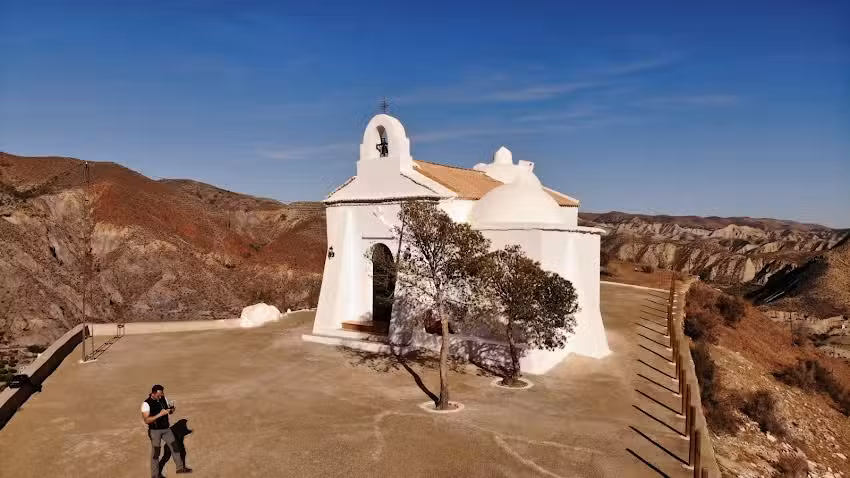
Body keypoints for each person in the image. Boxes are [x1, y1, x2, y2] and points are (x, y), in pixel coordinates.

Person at [142, 384, 193, 477]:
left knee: (175, 446)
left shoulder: (163, 398)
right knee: (156, 453)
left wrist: (171, 410)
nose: (161, 396)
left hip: (166, 429)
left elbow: (167, 410)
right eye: (159, 395)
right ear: (153, 393)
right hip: (154, 431)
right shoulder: (146, 403)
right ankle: (155, 475)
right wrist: (160, 415)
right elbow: (146, 420)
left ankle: (180, 468)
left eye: (161, 394)